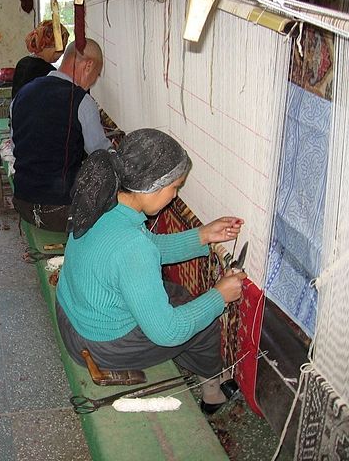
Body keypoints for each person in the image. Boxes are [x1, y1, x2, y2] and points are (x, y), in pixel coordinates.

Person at [56, 129, 247, 414]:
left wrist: (202, 236)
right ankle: (213, 392)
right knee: (203, 321)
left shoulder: (102, 202)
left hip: (72, 316)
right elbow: (167, 332)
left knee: (179, 297)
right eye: (175, 188)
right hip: (99, 345)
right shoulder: (133, 247)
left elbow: (146, 247)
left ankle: (193, 363)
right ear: (153, 187)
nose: (174, 196)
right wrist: (220, 295)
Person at [10, 38, 112, 232]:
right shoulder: (82, 101)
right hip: (59, 212)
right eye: (96, 75)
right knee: (118, 212)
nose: (94, 81)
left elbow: (18, 148)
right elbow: (102, 156)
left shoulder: (23, 93)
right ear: (88, 65)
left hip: (22, 202)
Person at [12, 20, 70, 98]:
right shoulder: (47, 71)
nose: (62, 52)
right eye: (61, 47)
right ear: (46, 45)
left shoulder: (22, 63)